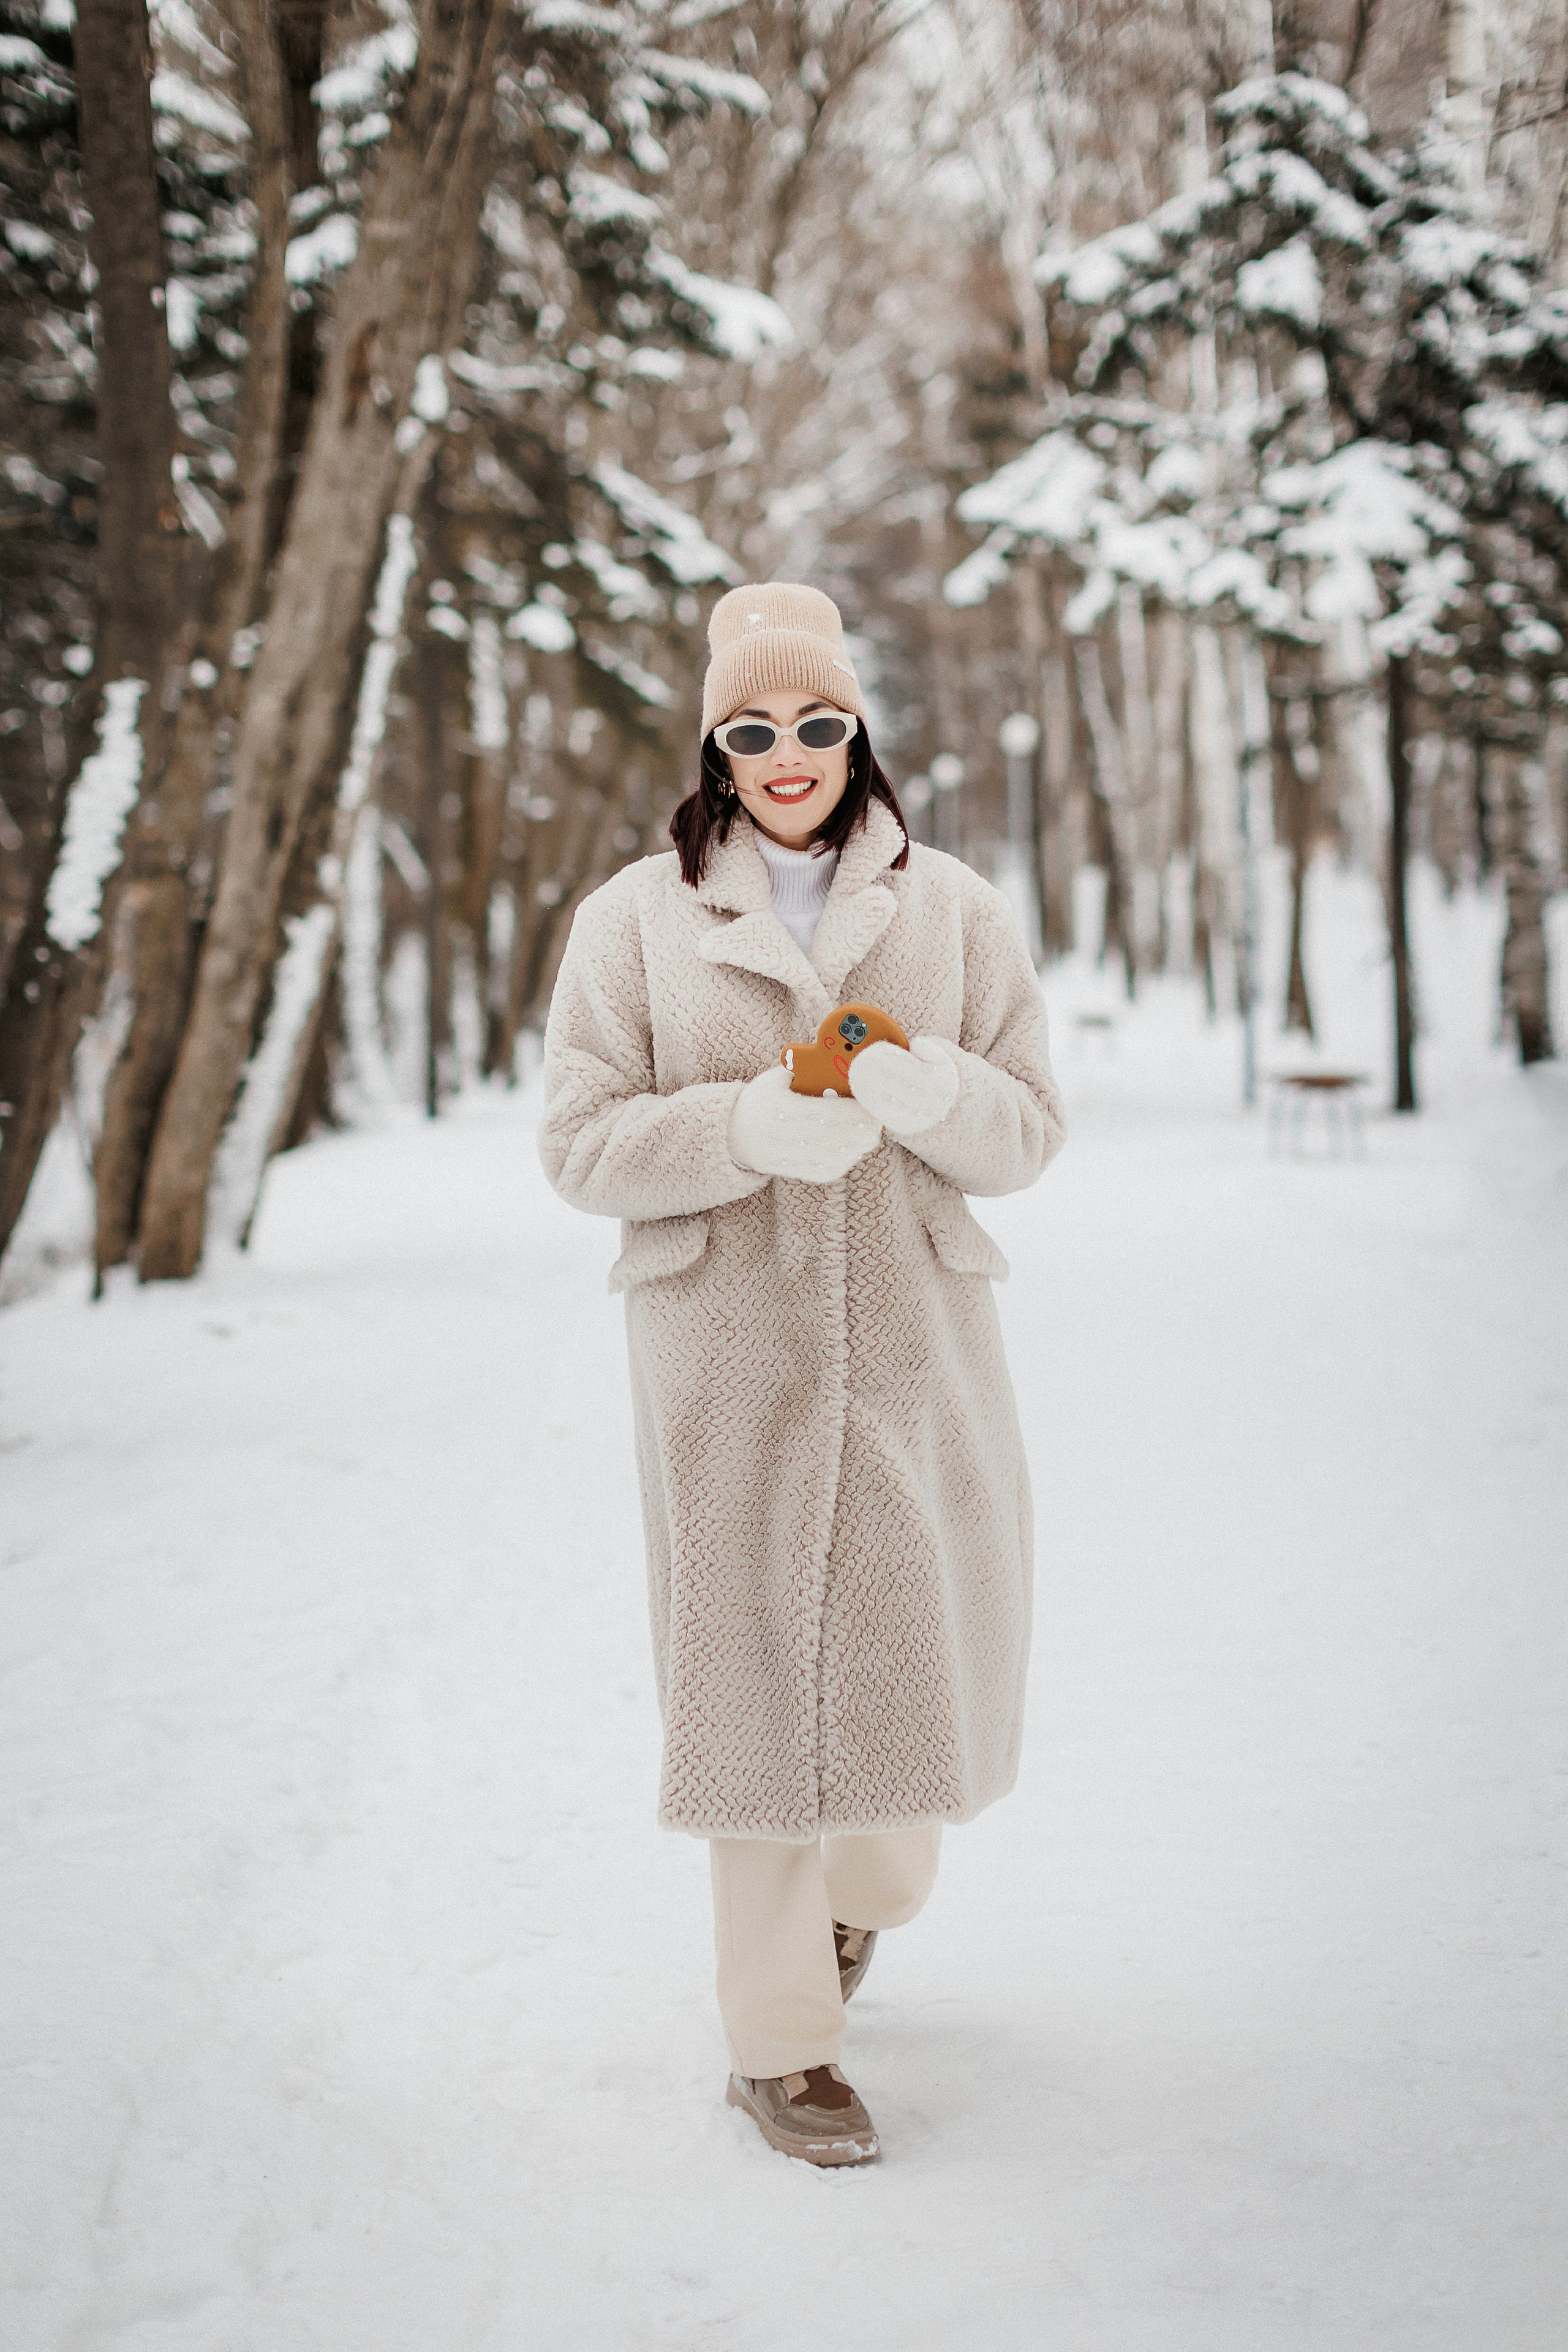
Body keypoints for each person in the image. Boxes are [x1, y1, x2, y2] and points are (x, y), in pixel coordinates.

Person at [538, 582, 1065, 2165]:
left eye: (817, 723)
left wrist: (926, 1089)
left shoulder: (957, 911)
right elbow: (578, 1145)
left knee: (905, 1772)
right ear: (715, 743)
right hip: (725, 1364)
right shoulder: (635, 919)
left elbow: (1029, 1132)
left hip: (916, 1350)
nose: (787, 753)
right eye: (754, 729)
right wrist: (742, 1132)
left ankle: (857, 1910)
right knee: (753, 1703)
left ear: (858, 736)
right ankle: (781, 2051)